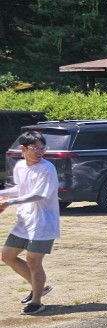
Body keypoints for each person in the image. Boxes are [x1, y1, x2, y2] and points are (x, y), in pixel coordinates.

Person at [0, 131, 59, 315]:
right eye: (35, 148)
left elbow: (39, 194)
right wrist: (3, 194)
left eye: (43, 148)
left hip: (43, 222)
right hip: (24, 221)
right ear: (23, 149)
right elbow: (22, 189)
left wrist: (9, 202)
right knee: (8, 256)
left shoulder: (47, 168)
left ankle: (37, 301)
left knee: (33, 261)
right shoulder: (20, 166)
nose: (40, 152)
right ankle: (41, 286)